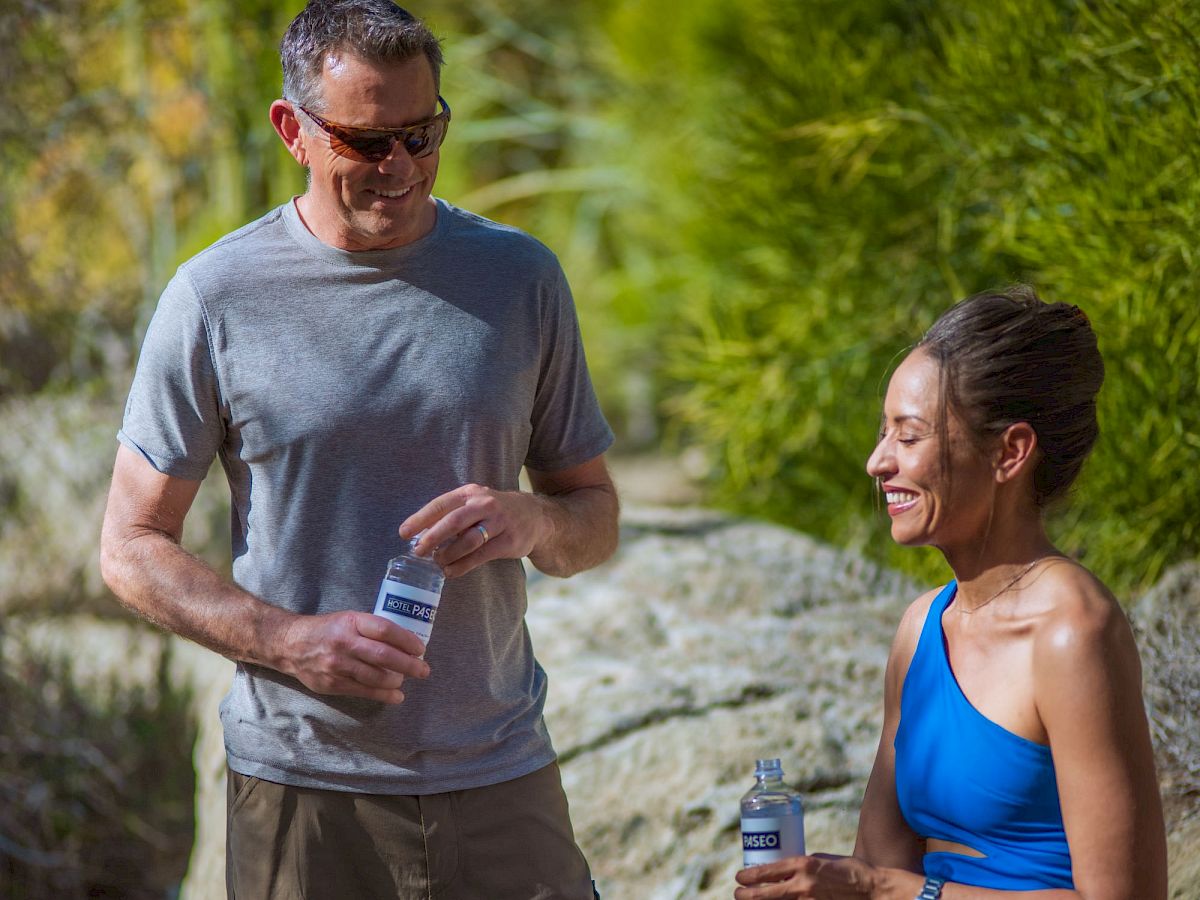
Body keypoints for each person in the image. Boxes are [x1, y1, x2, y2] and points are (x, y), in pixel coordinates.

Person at [99, 2, 618, 898]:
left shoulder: (519, 279)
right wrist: (289, 640)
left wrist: (532, 519)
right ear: (292, 130)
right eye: (369, 142)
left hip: (499, 774)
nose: (402, 168)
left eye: (424, 135)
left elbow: (595, 517)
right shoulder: (216, 297)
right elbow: (130, 548)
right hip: (303, 789)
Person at [735, 286, 1167, 899]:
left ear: (1010, 452)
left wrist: (885, 888)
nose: (876, 462)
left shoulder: (1072, 634)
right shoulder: (922, 629)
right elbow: (877, 864)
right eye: (884, 433)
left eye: (908, 437)